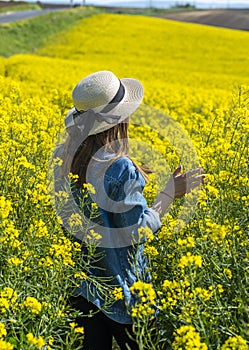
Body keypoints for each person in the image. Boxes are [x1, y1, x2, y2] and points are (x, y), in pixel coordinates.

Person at [53, 71, 205, 350]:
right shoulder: (121, 169)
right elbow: (136, 232)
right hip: (125, 295)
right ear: (118, 120)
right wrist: (170, 192)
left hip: (83, 289)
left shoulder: (62, 156)